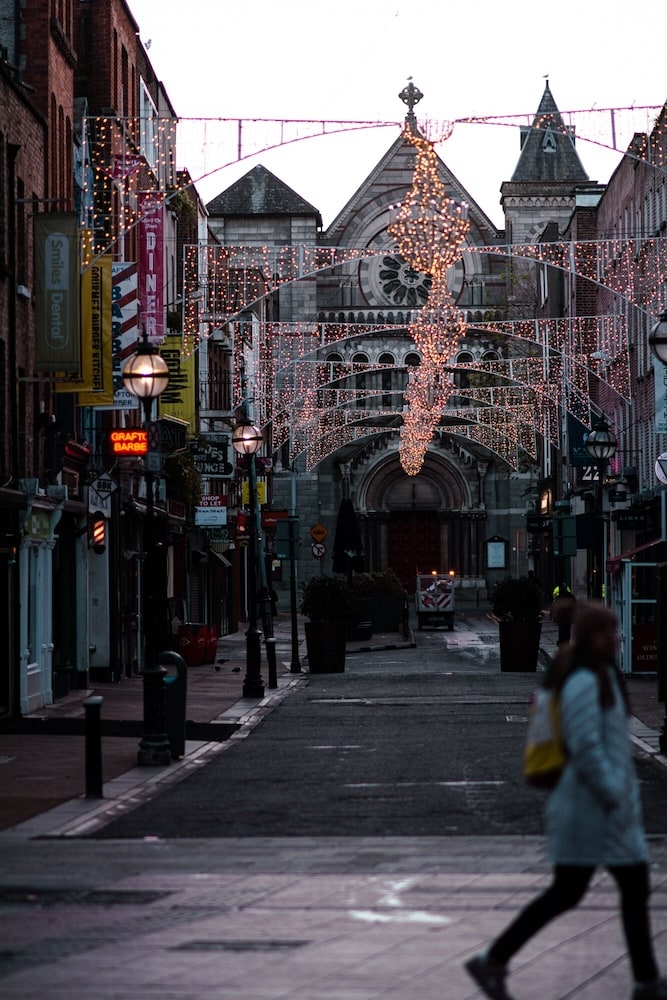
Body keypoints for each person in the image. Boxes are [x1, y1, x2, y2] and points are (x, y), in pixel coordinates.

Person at [465, 601, 667, 1000]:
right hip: (587, 806)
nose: (617, 637)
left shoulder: (599, 675)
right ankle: (493, 958)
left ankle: (645, 980)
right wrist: (612, 792)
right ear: (591, 636)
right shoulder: (583, 680)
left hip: (603, 806)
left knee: (624, 887)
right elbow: (584, 744)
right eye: (609, 630)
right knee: (572, 890)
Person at [551, 581, 576, 645]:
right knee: (567, 630)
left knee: (562, 630)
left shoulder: (559, 596)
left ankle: (562, 641)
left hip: (562, 617)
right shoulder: (571, 596)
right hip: (567, 617)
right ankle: (565, 641)